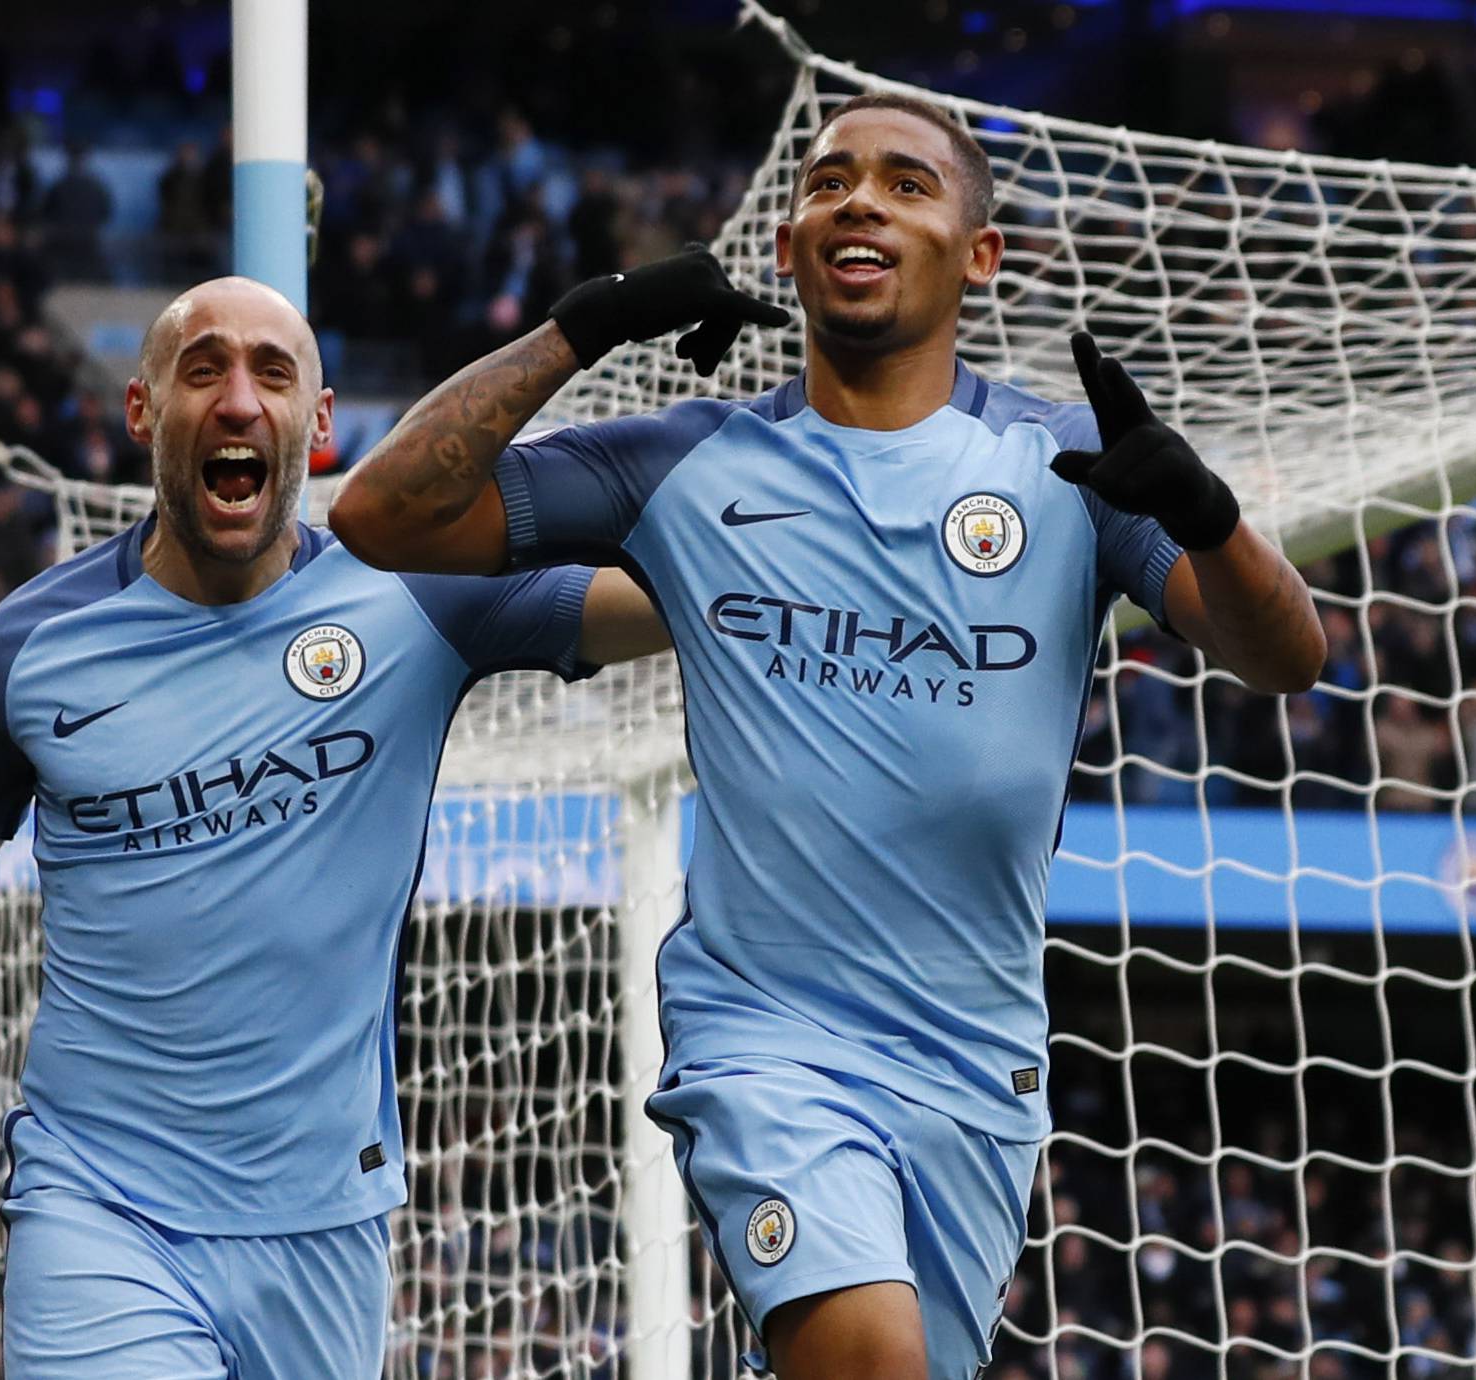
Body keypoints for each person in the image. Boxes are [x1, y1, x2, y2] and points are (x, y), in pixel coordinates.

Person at [328, 93, 1326, 1379]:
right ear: (790, 248)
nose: (858, 199)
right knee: (866, 1354)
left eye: (907, 184)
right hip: (767, 1036)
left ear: (980, 253)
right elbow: (383, 517)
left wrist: (1205, 513)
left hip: (976, 1070)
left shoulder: (1071, 466)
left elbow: (1285, 656)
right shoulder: (685, 461)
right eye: (828, 182)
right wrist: (584, 328)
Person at [0, 277, 668, 1378]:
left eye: (272, 373)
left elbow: (673, 604)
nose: (238, 400)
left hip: (324, 1218)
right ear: (142, 412)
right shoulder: (29, 652)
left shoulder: (419, 593)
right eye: (204, 369)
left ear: (321, 424)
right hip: (101, 1207)